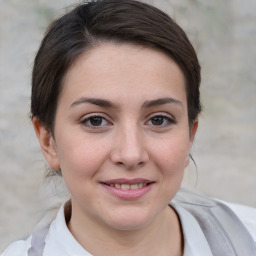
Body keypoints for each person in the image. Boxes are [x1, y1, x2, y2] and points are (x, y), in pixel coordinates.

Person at [1, 0, 256, 255]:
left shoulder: (249, 235)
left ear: (190, 135)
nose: (131, 154)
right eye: (95, 120)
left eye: (159, 120)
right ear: (48, 141)